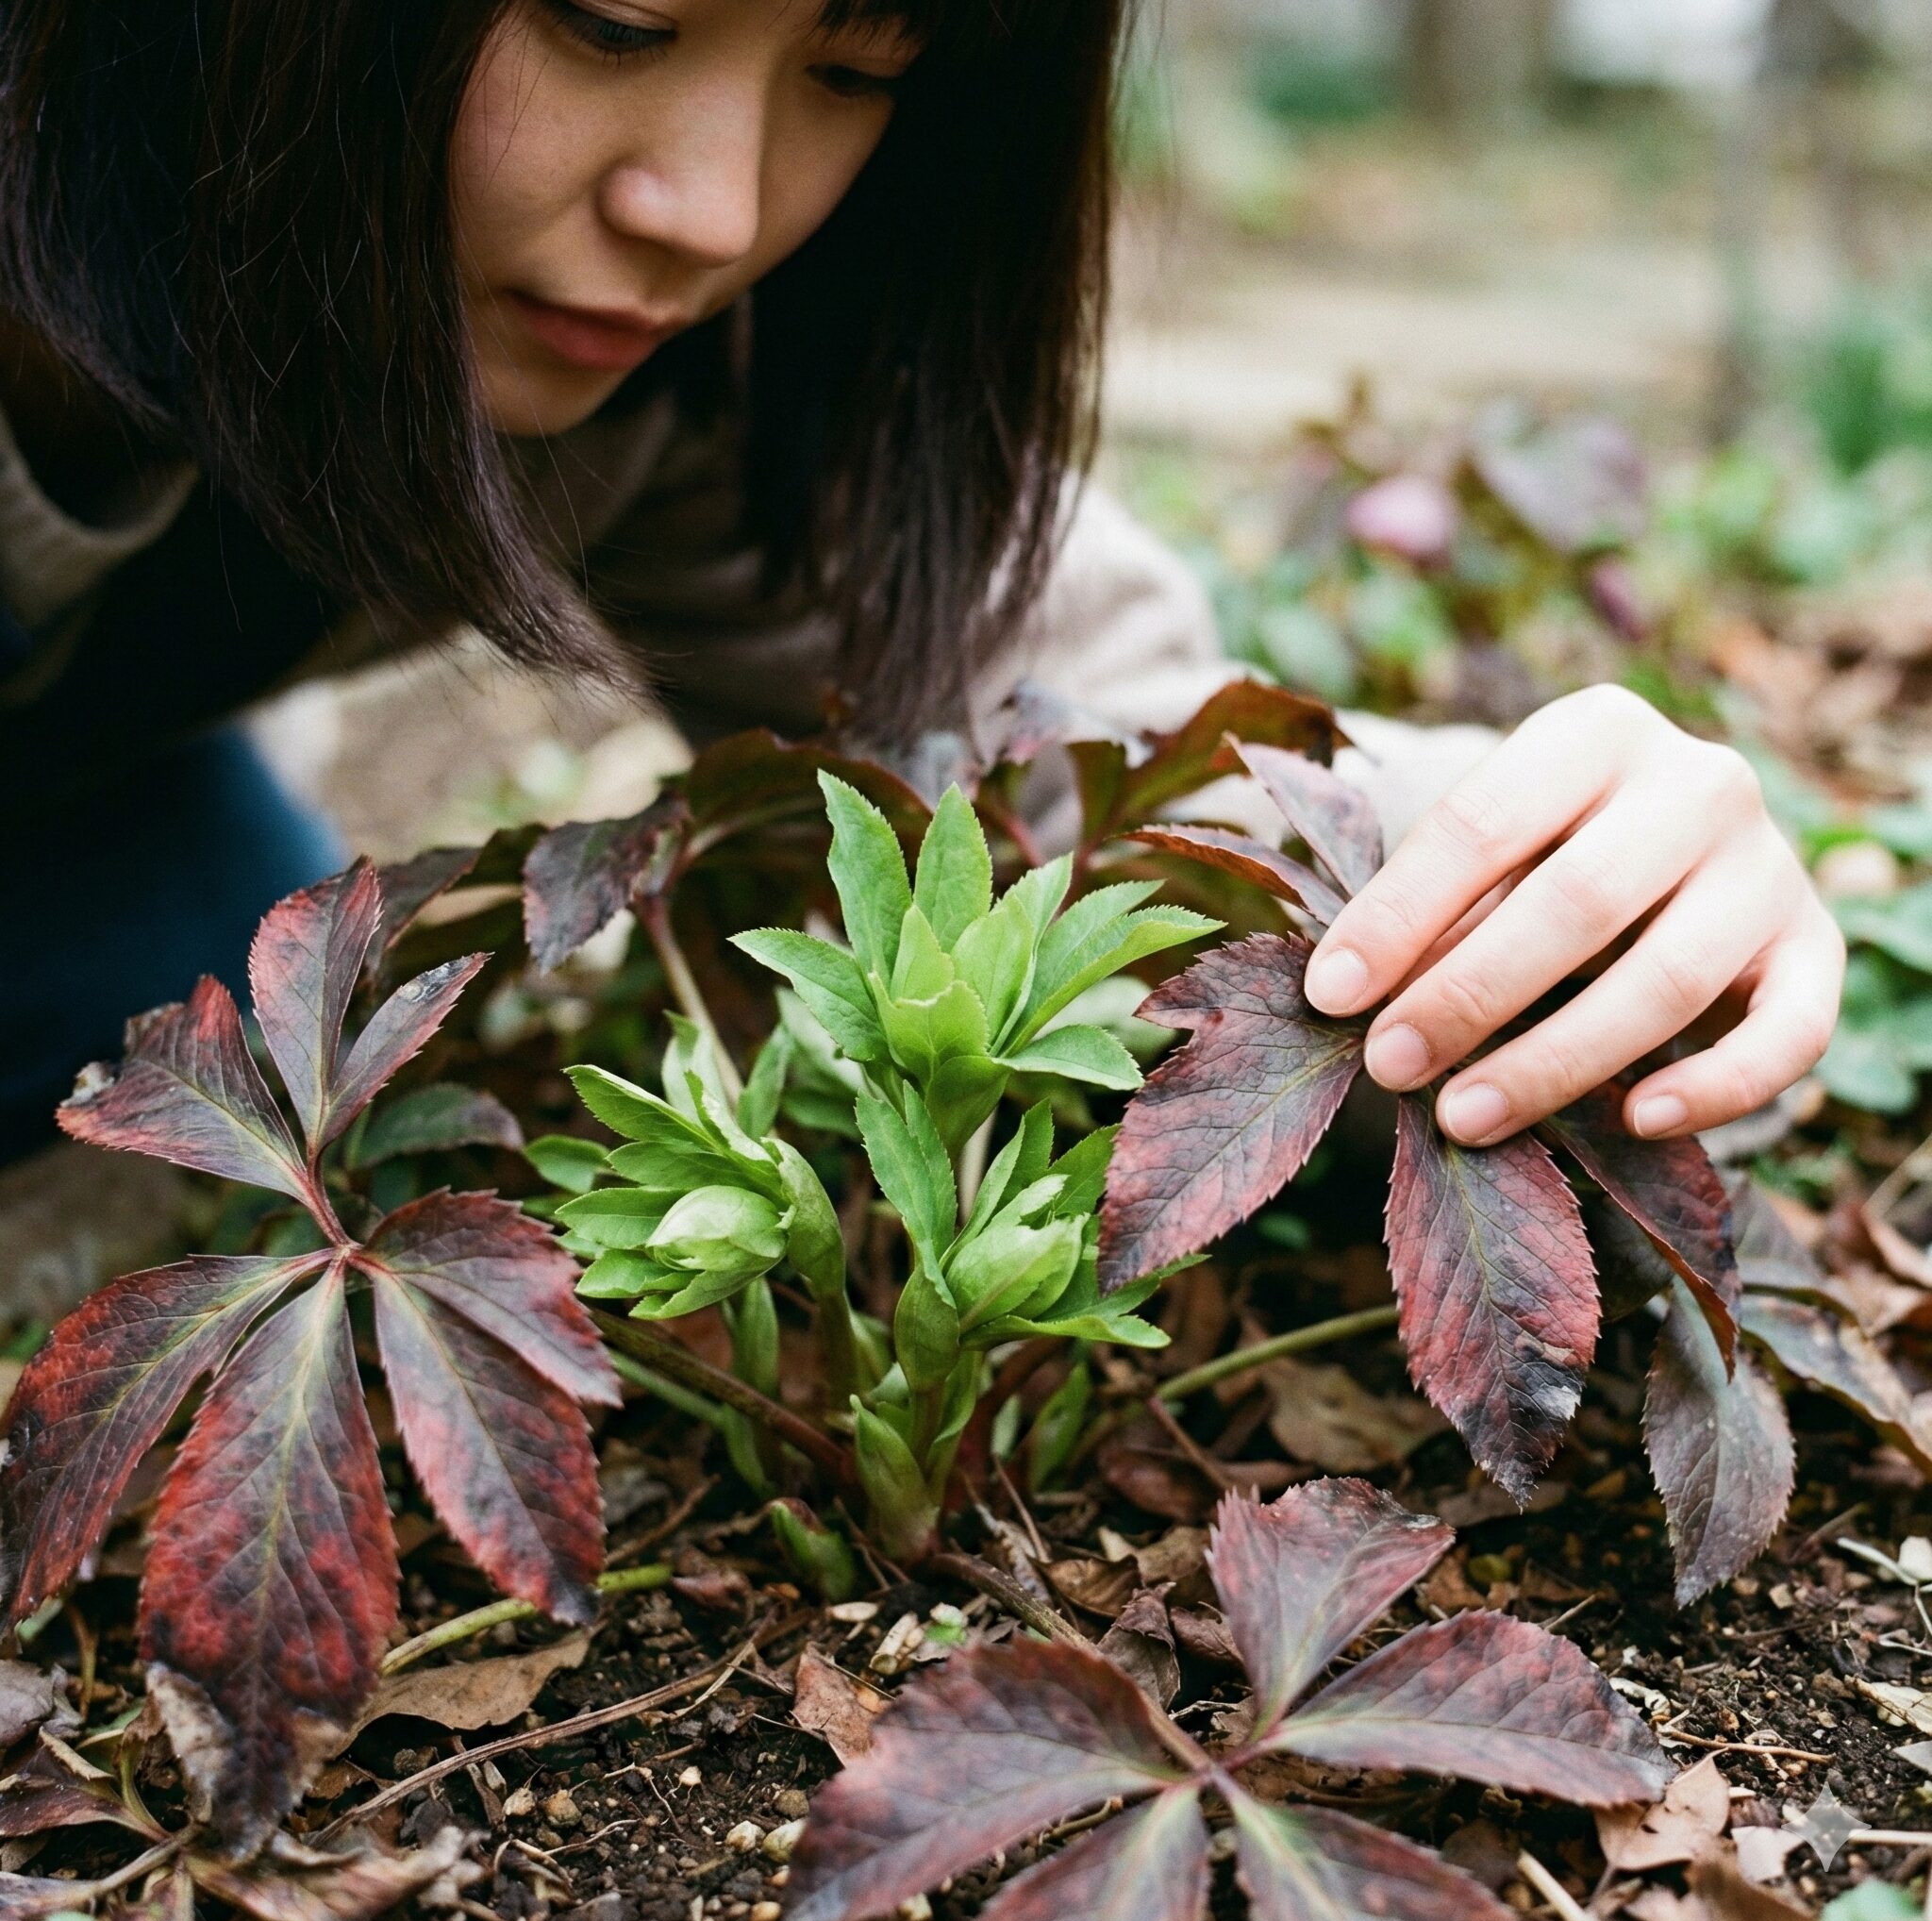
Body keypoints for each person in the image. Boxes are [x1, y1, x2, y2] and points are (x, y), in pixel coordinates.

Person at [0, 0, 1841, 1167]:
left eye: (856, 66)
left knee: (261, 1091)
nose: (713, 209)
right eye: (614, 19)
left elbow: (1070, 751)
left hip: (82, 813)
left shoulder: (688, 370)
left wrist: (1533, 852)